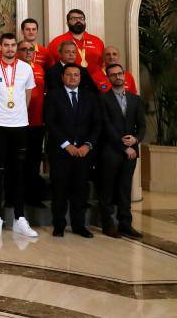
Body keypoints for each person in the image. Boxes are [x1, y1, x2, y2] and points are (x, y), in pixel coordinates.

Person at [0, 33, 38, 238]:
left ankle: (19, 218)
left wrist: (17, 113)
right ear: (1, 47)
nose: (10, 49)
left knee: (19, 171)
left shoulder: (26, 68)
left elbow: (27, 97)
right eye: (6, 45)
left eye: (13, 45)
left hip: (20, 126)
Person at [44, 64, 101, 238]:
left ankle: (79, 225)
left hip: (83, 152)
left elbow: (97, 124)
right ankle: (59, 224)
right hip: (61, 151)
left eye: (76, 75)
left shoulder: (90, 97)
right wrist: (66, 144)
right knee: (60, 189)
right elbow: (50, 122)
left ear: (80, 77)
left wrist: (87, 145)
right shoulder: (53, 96)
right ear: (63, 77)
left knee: (80, 190)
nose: (73, 78)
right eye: (69, 75)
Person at [98, 63, 146, 239]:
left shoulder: (135, 99)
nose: (117, 77)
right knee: (107, 189)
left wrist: (136, 140)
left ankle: (125, 224)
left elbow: (141, 125)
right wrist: (123, 147)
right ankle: (108, 224)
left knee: (125, 189)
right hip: (111, 151)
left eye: (120, 74)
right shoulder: (103, 99)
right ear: (108, 78)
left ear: (124, 75)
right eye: (113, 75)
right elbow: (106, 126)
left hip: (131, 152)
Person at [17, 41, 47, 208]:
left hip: (36, 122)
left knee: (34, 161)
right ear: (17, 52)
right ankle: (16, 198)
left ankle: (33, 197)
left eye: (31, 49)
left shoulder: (40, 69)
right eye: (24, 49)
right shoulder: (14, 69)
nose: (28, 52)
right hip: (18, 122)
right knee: (17, 162)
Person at [47, 9, 105, 74]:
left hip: (94, 82)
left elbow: (103, 65)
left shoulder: (97, 41)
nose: (78, 20)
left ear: (85, 22)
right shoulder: (56, 42)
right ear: (67, 23)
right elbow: (50, 66)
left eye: (81, 18)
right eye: (74, 19)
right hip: (68, 81)